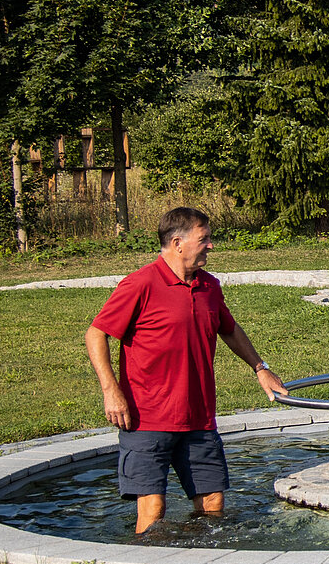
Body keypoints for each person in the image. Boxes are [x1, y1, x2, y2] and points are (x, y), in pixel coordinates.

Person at [84, 206, 286, 533]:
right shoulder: (140, 284)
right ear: (178, 243)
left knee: (213, 505)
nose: (211, 245)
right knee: (153, 511)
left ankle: (201, 563)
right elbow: (96, 333)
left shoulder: (208, 286)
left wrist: (260, 367)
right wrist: (111, 390)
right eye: (204, 239)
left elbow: (229, 329)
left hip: (198, 417)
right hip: (146, 419)